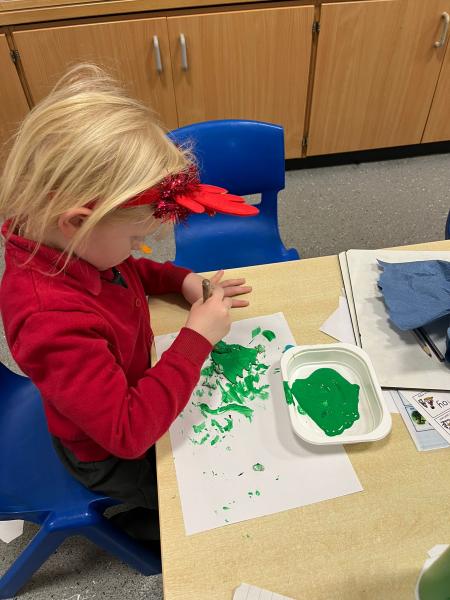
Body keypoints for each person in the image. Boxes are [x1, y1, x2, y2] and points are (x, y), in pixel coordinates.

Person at [0, 64, 257, 548]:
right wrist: (196, 338)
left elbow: (125, 270)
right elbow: (127, 432)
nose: (141, 250)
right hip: (107, 455)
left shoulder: (63, 243)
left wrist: (181, 281)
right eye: (136, 238)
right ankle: (147, 526)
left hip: (114, 395)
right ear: (78, 221)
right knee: (210, 490)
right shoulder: (49, 321)